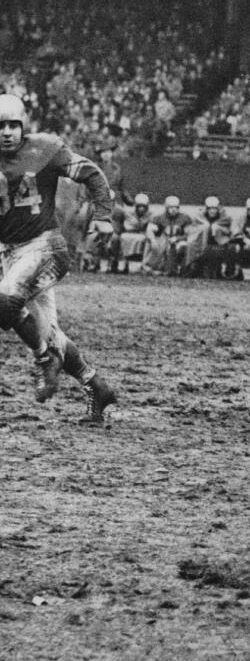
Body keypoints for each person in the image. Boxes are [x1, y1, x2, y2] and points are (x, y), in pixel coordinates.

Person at [0, 93, 118, 422]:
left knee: (7, 301)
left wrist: (104, 215)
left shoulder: (44, 149)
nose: (7, 132)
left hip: (44, 245)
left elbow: (91, 173)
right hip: (9, 252)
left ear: (23, 127)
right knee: (49, 333)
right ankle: (96, 386)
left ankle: (42, 360)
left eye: (13, 125)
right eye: (0, 126)